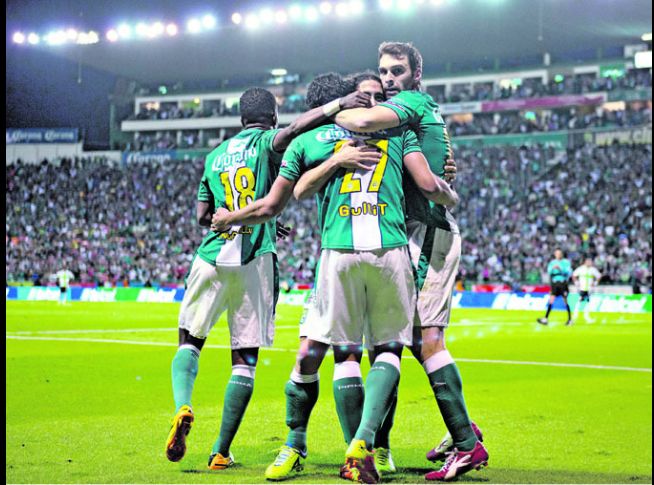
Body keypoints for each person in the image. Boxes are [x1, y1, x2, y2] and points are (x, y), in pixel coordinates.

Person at [211, 71, 458, 484]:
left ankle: (357, 448)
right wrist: (449, 186)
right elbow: (429, 181)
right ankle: (327, 444)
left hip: (343, 255)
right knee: (376, 351)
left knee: (334, 352)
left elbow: (284, 200)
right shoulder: (392, 132)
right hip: (375, 252)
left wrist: (228, 218)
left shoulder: (308, 141)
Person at [164, 84, 372, 470]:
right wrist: (338, 105)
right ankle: (220, 451)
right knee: (243, 360)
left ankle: (183, 405)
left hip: (211, 255)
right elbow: (294, 132)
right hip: (255, 257)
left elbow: (201, 216)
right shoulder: (266, 142)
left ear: (240, 118)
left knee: (189, 340)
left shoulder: (214, 156)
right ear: (271, 117)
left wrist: (228, 214)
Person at [334, 42, 487, 481]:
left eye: (397, 70)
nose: (389, 77)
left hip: (429, 234)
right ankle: (461, 429)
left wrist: (335, 110)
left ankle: (466, 444)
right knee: (408, 343)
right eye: (383, 70)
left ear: (415, 75)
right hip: (415, 234)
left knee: (425, 341)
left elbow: (363, 121)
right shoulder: (411, 116)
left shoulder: (411, 104)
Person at [537, 249, 573, 326]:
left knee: (565, 301)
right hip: (555, 283)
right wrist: (553, 269)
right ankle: (545, 318)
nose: (558, 255)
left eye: (560, 253)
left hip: (563, 283)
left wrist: (560, 269)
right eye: (557, 253)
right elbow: (549, 271)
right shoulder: (552, 263)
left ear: (562, 254)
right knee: (551, 300)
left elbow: (568, 272)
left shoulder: (566, 262)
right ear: (555, 254)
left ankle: (570, 320)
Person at [571, 257, 601, 323]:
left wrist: (595, 283)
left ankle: (586, 316)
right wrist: (576, 282)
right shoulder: (581, 269)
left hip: (589, 289)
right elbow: (573, 275)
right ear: (585, 262)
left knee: (587, 303)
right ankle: (574, 316)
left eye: (590, 262)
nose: (589, 263)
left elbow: (599, 276)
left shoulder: (593, 269)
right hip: (582, 288)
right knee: (579, 301)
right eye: (588, 261)